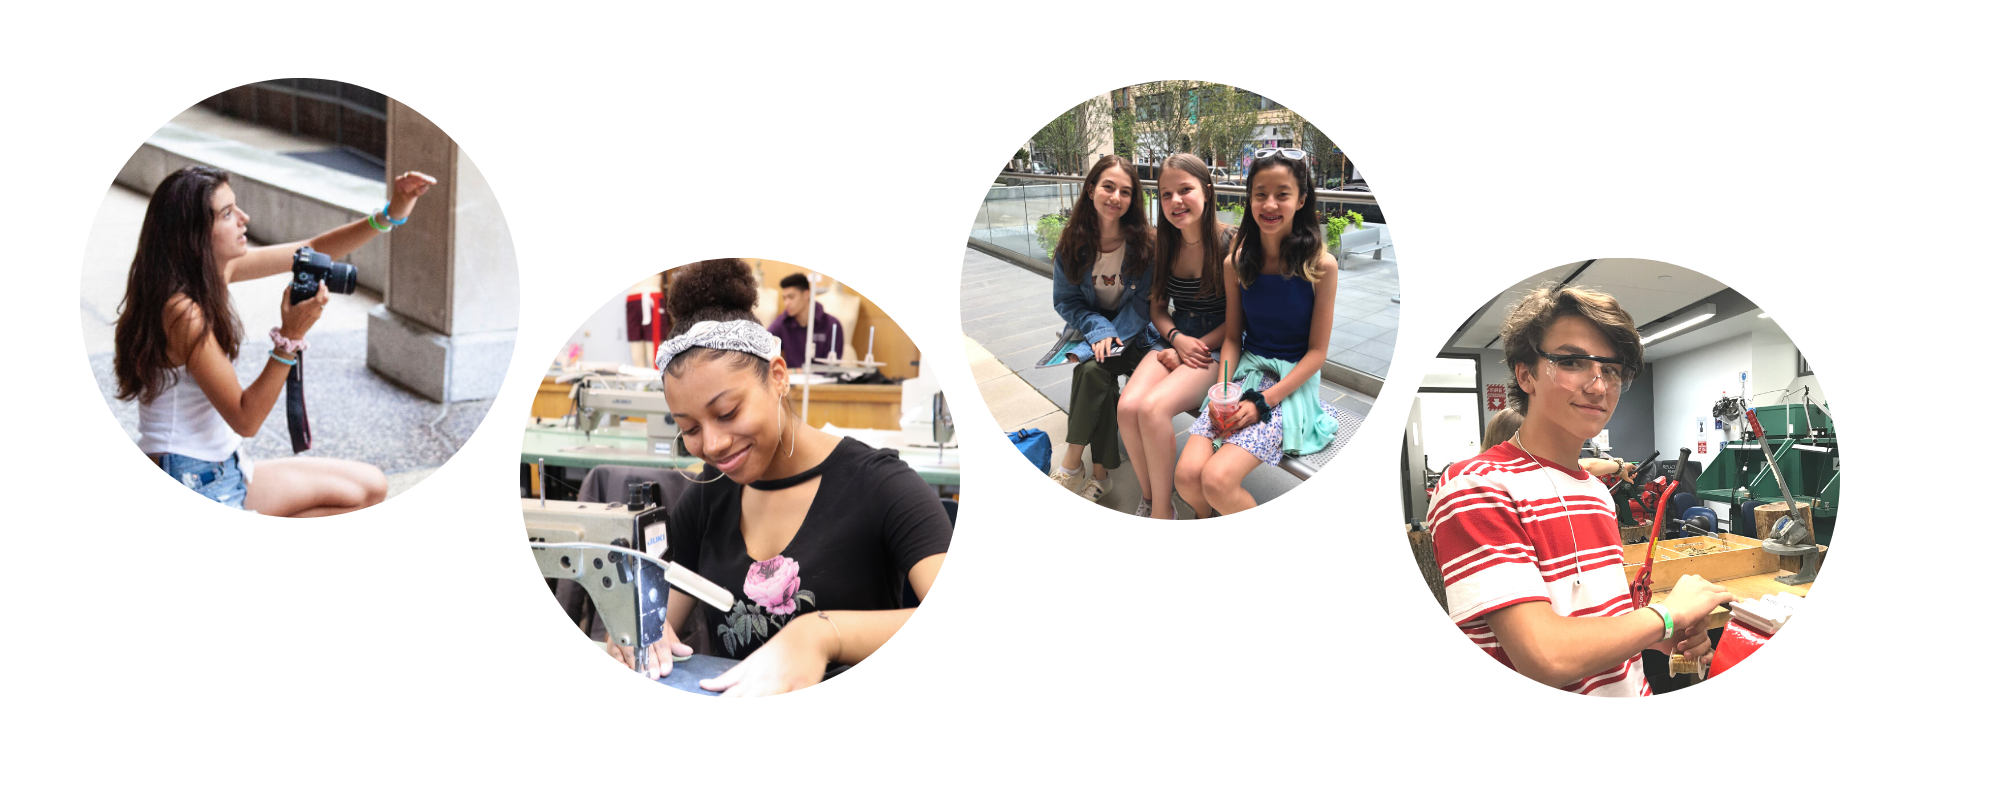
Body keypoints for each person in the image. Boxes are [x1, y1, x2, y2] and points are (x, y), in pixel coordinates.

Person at [612, 259, 952, 697]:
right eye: (690, 429)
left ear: (778, 377)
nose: (712, 445)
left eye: (728, 412)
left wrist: (822, 634)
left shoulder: (881, 486)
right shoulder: (708, 497)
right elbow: (656, 625)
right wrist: (635, 636)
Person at [1427, 285, 1732, 696]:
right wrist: (1664, 614)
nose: (1598, 386)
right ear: (1526, 374)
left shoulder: (1596, 494)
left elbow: (1594, 619)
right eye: (1571, 361)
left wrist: (1660, 635)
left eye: (1611, 369)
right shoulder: (1477, 486)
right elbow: (1546, 656)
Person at [112, 164, 434, 516]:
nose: (244, 218)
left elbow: (312, 249)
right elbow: (246, 420)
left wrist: (390, 214)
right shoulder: (181, 311)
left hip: (225, 466)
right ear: (193, 232)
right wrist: (290, 336)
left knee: (369, 487)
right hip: (190, 478)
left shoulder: (214, 272)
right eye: (227, 213)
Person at [1174, 149, 1339, 517]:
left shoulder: (1321, 266)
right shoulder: (1237, 262)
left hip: (1290, 384)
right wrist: (1223, 392)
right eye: (1260, 193)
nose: (1269, 204)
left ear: (1302, 199)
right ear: (1249, 199)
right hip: (1246, 372)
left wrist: (1265, 401)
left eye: (1282, 193)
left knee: (1217, 480)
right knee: (1186, 477)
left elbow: (1316, 353)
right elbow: (1233, 337)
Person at [1116, 154, 1232, 520]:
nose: (1175, 201)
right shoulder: (1165, 245)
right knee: (1128, 408)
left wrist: (1190, 348)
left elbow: (1242, 322)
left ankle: (1162, 514)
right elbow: (1158, 309)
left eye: (1185, 190)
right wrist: (1176, 339)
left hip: (1216, 347)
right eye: (1166, 195)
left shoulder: (1231, 242)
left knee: (1152, 410)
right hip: (1177, 337)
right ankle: (1155, 500)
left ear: (1207, 192)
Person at [1047, 154, 1157, 504]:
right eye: (1108, 187)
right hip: (1096, 339)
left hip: (1138, 338)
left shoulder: (1146, 245)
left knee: (1092, 373)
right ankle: (1098, 474)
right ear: (1091, 188)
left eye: (1126, 191)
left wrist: (1113, 335)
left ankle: (1073, 465)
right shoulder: (1072, 244)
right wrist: (1098, 330)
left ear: (1133, 200)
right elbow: (1066, 301)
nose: (1116, 197)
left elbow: (1144, 305)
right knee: (1096, 375)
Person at [767, 271, 843, 369]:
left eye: (791, 297)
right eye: (784, 298)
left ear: (806, 294)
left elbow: (832, 368)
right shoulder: (782, 322)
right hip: (793, 383)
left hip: (824, 383)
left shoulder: (832, 325)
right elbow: (763, 347)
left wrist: (799, 372)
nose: (786, 303)